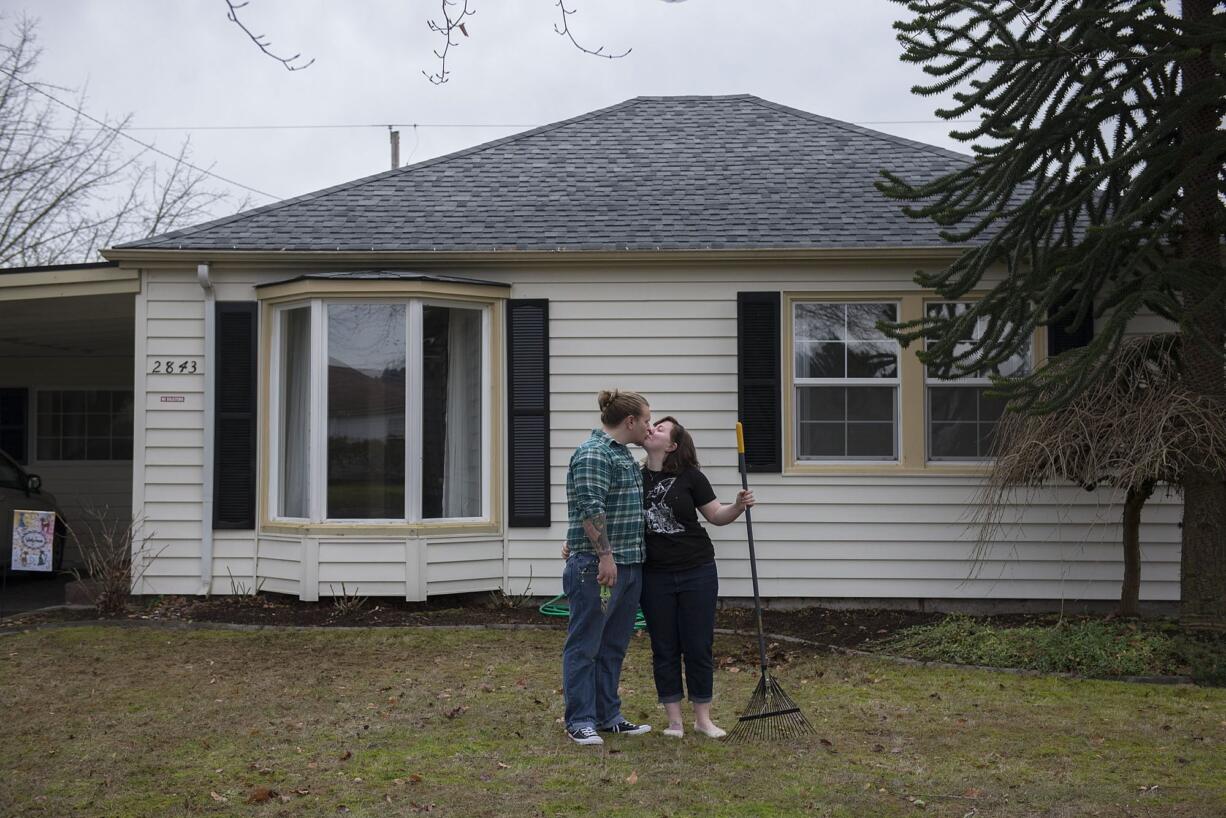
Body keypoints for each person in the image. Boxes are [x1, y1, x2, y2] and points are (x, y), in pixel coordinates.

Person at [639, 416, 753, 739]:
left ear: (673, 445)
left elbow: (716, 515)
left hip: (697, 570)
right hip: (655, 576)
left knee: (698, 645)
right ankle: (674, 721)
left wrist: (738, 505)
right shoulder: (634, 477)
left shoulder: (691, 477)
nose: (652, 429)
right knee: (664, 646)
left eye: (660, 428)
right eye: (652, 425)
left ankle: (703, 719)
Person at [561, 389, 654, 746]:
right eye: (646, 420)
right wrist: (604, 556)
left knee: (613, 645)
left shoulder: (624, 455)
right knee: (586, 645)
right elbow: (590, 507)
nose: (649, 426)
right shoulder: (593, 453)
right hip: (598, 569)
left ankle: (608, 716)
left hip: (630, 565)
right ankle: (580, 720)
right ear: (629, 421)